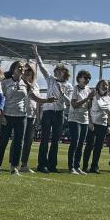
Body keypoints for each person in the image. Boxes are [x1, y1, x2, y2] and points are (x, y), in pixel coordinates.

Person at [0, 60, 56, 174]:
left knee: (18, 142)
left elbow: (35, 98)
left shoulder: (26, 85)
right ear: (13, 69)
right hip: (7, 115)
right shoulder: (5, 82)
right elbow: (1, 100)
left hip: (22, 117)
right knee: (3, 141)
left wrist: (47, 100)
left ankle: (14, 167)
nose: (22, 69)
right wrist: (1, 115)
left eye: (23, 68)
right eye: (19, 67)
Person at [32, 45, 73, 173]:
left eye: (60, 71)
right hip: (48, 112)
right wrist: (36, 53)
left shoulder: (68, 85)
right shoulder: (50, 80)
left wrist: (62, 93)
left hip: (59, 113)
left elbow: (69, 102)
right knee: (44, 139)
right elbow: (42, 66)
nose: (57, 72)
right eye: (56, 71)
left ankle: (52, 165)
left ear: (65, 73)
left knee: (55, 140)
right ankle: (42, 164)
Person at [67, 70, 93, 175]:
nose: (87, 80)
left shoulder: (88, 89)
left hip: (84, 119)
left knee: (81, 143)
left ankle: (77, 166)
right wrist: (87, 98)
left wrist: (90, 100)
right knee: (75, 142)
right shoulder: (75, 89)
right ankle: (71, 167)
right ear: (79, 78)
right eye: (85, 77)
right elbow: (74, 104)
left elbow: (88, 107)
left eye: (88, 78)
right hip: (74, 118)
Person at [85, 79, 110, 174]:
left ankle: (94, 166)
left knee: (98, 147)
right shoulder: (93, 95)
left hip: (103, 125)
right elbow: (87, 109)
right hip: (93, 123)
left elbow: (109, 113)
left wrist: (109, 125)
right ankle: (84, 166)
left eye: (106, 85)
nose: (105, 86)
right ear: (98, 85)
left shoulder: (109, 98)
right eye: (103, 84)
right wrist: (90, 122)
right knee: (89, 145)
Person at [19, 62, 40, 173]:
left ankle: (24, 164)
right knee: (19, 141)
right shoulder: (20, 82)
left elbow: (38, 102)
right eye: (25, 71)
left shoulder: (36, 85)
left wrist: (38, 116)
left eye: (29, 71)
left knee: (28, 141)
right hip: (21, 115)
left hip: (32, 116)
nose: (27, 73)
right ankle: (14, 163)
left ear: (33, 73)